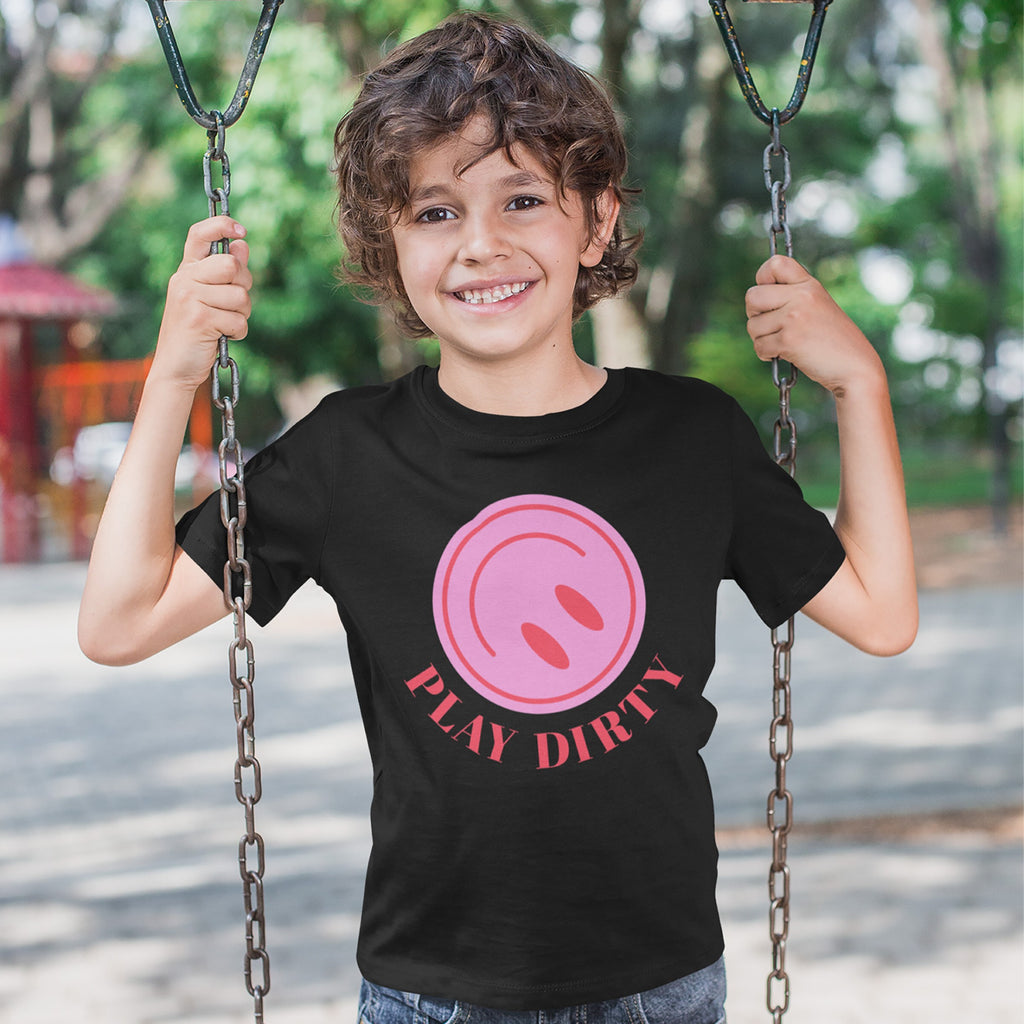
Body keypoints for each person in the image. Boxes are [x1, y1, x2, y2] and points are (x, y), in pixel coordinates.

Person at [79, 12, 917, 1024]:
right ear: (389, 245)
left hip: (658, 989)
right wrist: (173, 373)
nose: (481, 245)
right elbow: (118, 622)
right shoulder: (346, 454)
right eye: (435, 212)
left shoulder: (690, 437)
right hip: (431, 992)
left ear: (596, 222)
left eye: (523, 199)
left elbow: (881, 613)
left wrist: (859, 385)